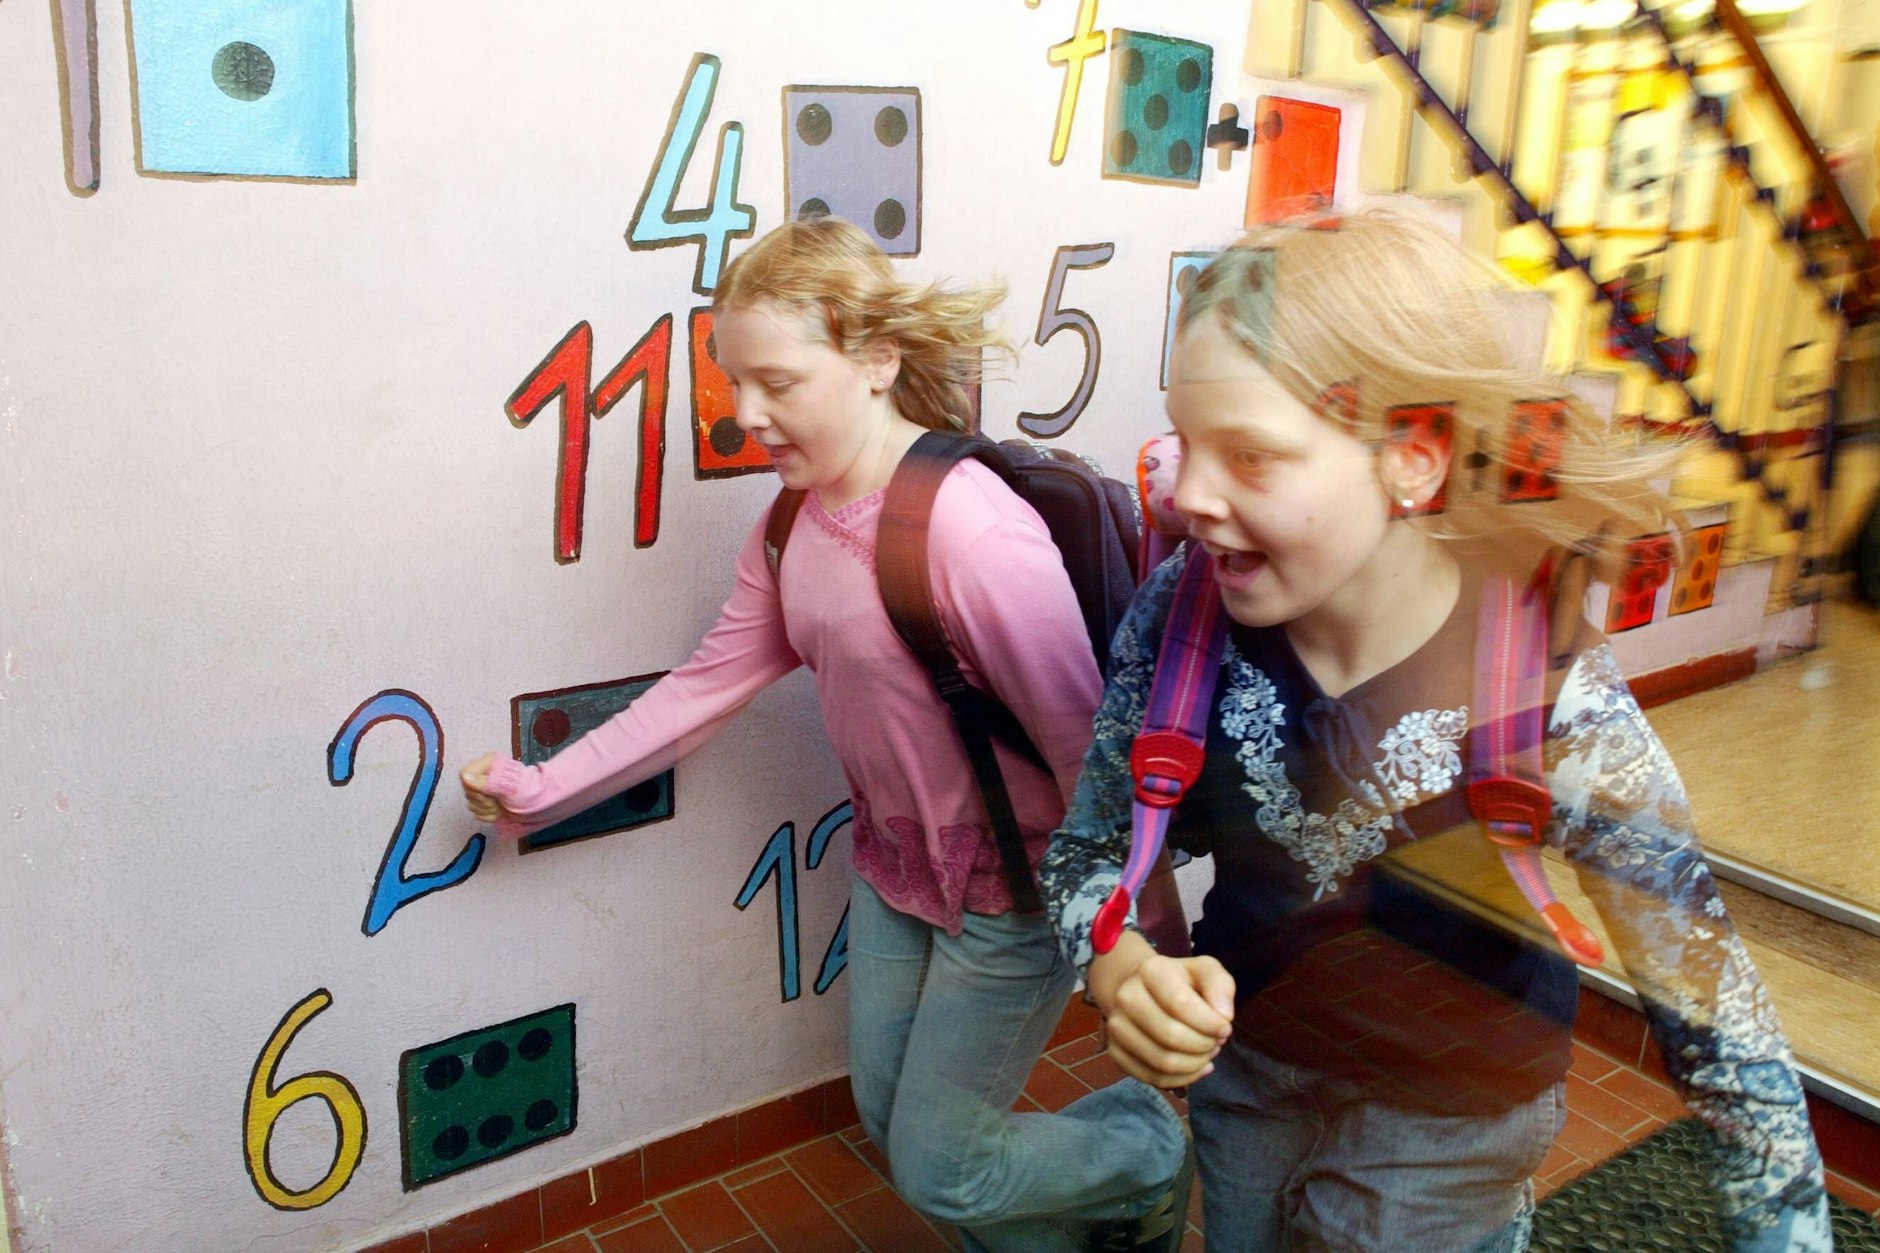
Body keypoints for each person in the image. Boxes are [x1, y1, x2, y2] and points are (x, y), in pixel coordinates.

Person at [1040, 209, 1830, 1252]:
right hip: (1249, 1082)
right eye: (1182, 442)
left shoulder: (1545, 689)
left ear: (1410, 460)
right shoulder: (1177, 620)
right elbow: (1083, 853)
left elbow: (1704, 992)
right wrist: (1118, 965)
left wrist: (1785, 1227)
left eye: (1249, 455)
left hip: (1453, 1117)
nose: (1186, 494)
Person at [460, 216, 1191, 1253]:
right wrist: (541, 785)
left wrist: (1144, 940)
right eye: (734, 384)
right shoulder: (789, 521)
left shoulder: (969, 528)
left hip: (1016, 889)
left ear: (875, 360)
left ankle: (1144, 1151)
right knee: (900, 1130)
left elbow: (1087, 754)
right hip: (894, 871)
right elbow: (701, 687)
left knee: (944, 1165)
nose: (748, 415)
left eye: (778, 382)